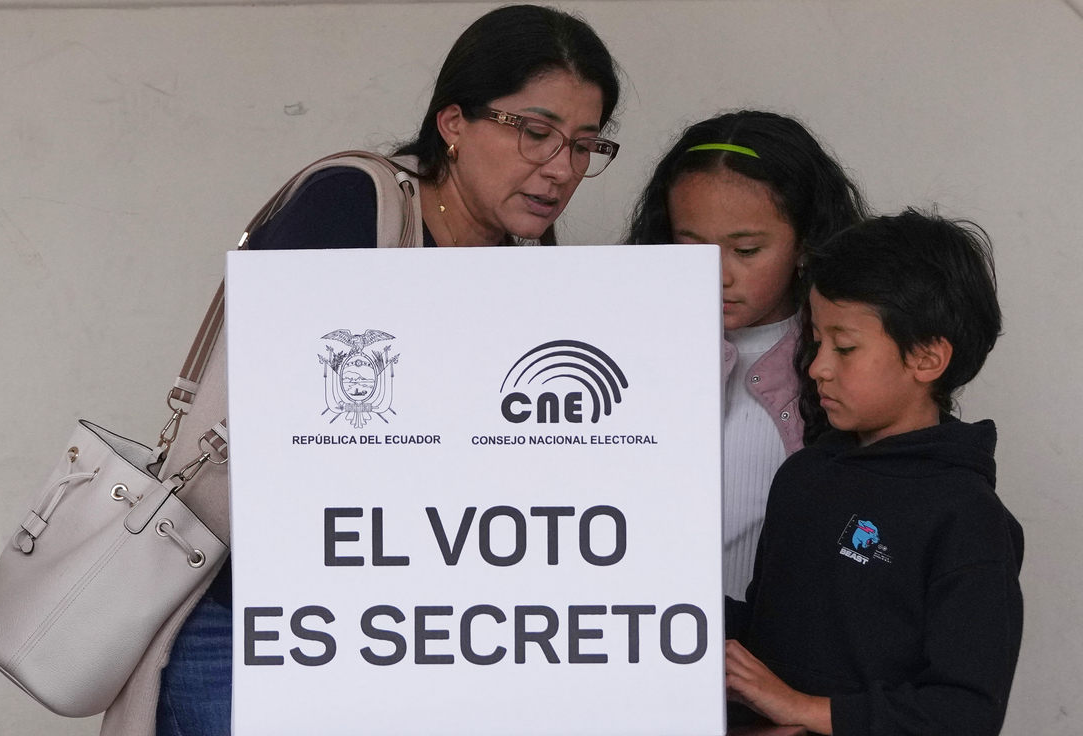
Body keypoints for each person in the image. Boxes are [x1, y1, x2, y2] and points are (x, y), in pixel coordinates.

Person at [115, 7, 624, 736]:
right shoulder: (353, 201)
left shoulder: (524, 272)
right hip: (254, 625)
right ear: (454, 122)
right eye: (536, 133)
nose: (561, 169)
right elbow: (291, 421)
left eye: (583, 145)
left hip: (400, 630)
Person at [724, 209, 1024, 735]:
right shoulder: (802, 477)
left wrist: (801, 709)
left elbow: (965, 712)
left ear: (926, 359)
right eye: (816, 340)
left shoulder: (968, 518)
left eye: (845, 347)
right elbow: (770, 635)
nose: (817, 367)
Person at [625, 111, 868, 601]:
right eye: (690, 246)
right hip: (646, 628)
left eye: (747, 250)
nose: (718, 274)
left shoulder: (848, 366)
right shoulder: (625, 352)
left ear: (805, 244)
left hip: (783, 641)